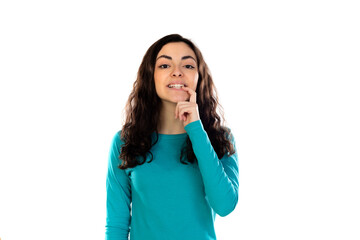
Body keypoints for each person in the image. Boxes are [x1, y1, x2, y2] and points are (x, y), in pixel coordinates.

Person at [105, 34, 239, 240]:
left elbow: (225, 205)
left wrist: (196, 129)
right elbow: (116, 225)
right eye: (165, 66)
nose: (177, 72)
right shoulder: (125, 141)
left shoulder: (219, 138)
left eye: (188, 66)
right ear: (151, 76)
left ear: (199, 77)